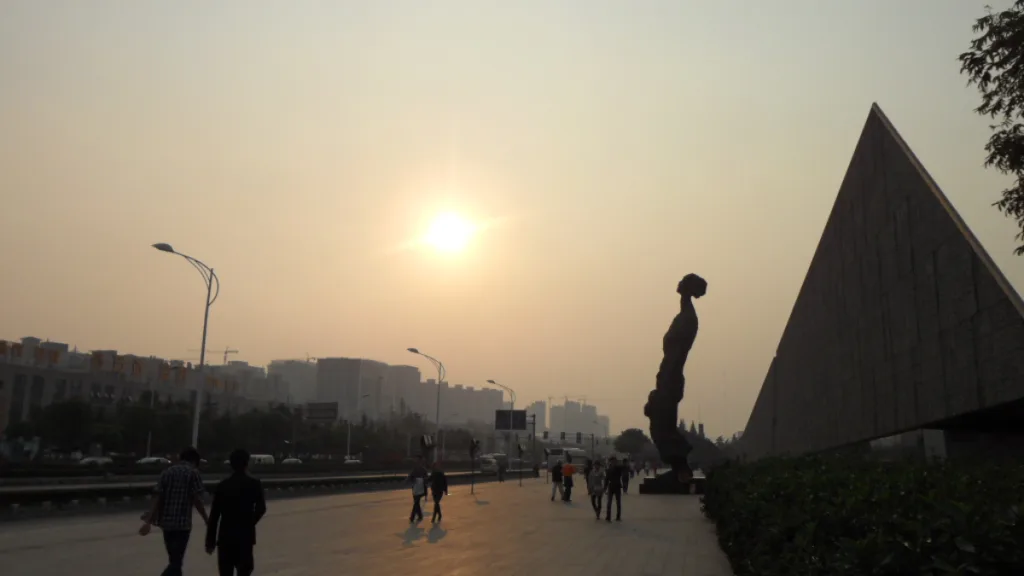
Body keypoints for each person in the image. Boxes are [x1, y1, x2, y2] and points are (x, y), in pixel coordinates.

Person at [139, 447, 209, 576]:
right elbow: (197, 499)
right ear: (195, 461)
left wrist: (149, 519)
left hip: (166, 524)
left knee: (174, 560)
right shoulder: (193, 473)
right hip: (182, 525)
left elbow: (157, 496)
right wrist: (206, 519)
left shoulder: (167, 472)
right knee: (176, 562)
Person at [204, 449, 267, 576]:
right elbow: (261, 508)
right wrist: (250, 522)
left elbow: (214, 515)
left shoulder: (223, 485)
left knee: (226, 572)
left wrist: (210, 540)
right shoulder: (254, 483)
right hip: (245, 537)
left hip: (225, 536)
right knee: (244, 571)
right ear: (247, 463)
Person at [408, 456, 428, 523]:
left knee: (416, 502)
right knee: (416, 503)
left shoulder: (423, 470)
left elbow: (426, 479)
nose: (418, 463)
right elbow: (410, 477)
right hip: (415, 488)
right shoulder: (415, 469)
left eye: (419, 461)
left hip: (420, 488)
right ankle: (420, 516)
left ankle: (412, 517)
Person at [605, 456, 624, 522]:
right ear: (610, 462)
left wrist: (616, 464)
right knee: (609, 502)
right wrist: (604, 488)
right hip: (611, 486)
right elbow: (606, 479)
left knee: (618, 502)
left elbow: (622, 467)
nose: (613, 462)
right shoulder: (608, 469)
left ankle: (618, 516)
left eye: (614, 461)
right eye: (612, 461)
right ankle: (608, 516)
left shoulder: (618, 468)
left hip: (617, 486)